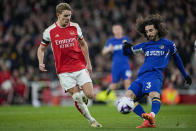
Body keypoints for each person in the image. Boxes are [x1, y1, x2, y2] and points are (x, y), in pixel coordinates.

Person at [37, 3, 102, 128]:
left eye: (70, 16)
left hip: (79, 66)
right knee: (77, 96)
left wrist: (88, 63)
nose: (68, 18)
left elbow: (83, 44)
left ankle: (83, 97)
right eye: (65, 16)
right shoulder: (49, 31)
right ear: (58, 15)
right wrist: (41, 61)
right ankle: (92, 120)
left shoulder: (75, 27)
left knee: (89, 95)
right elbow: (41, 49)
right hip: (64, 71)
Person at [122, 14, 192, 128]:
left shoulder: (169, 45)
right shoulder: (145, 45)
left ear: (158, 29)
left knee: (154, 94)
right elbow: (128, 52)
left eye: (151, 30)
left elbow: (177, 60)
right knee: (128, 98)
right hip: (141, 77)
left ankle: (152, 115)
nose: (149, 33)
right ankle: (147, 119)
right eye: (147, 31)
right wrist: (125, 47)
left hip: (155, 75)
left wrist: (185, 75)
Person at [102, 24, 132, 96]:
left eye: (119, 29)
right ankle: (107, 93)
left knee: (127, 82)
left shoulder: (126, 39)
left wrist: (129, 47)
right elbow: (103, 52)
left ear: (122, 30)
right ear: (113, 31)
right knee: (114, 85)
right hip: (116, 66)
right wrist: (109, 49)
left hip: (125, 65)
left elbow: (130, 50)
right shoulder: (111, 41)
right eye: (115, 29)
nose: (117, 31)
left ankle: (128, 100)